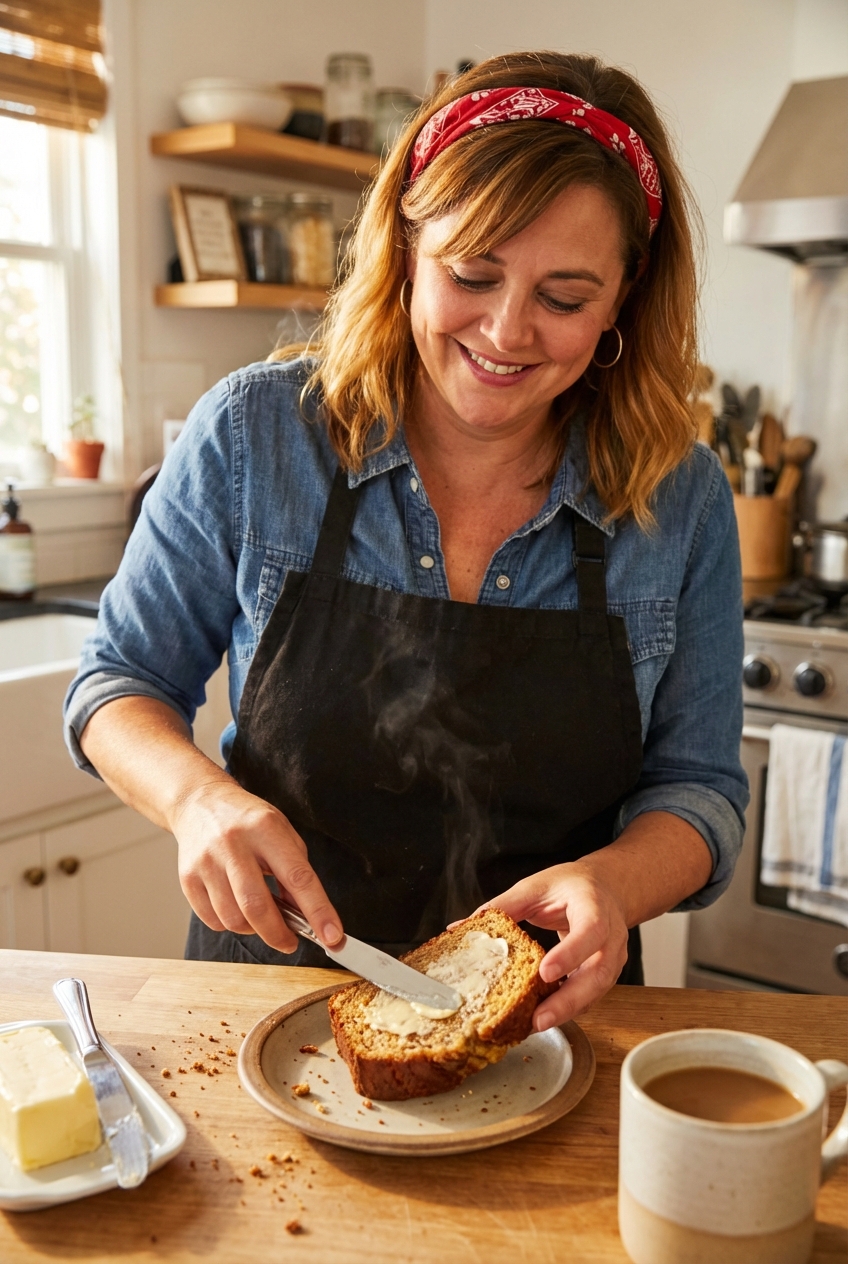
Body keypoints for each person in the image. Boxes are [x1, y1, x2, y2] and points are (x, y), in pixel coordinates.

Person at [64, 52, 748, 1032]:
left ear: (624, 298)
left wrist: (616, 883)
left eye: (563, 297)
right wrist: (196, 802)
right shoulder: (259, 437)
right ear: (403, 244)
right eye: (472, 273)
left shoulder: (678, 497)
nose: (507, 331)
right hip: (269, 1004)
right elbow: (116, 681)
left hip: (550, 1026)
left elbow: (699, 789)